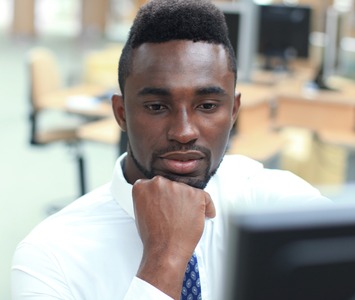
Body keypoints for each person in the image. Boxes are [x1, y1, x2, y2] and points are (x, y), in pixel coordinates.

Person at [11, 0, 331, 299]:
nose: (183, 132)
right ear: (122, 113)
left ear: (233, 111)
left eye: (207, 105)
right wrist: (165, 259)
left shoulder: (273, 203)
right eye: (156, 106)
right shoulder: (50, 255)